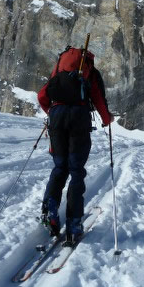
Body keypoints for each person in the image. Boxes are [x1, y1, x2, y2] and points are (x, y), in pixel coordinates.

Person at [37, 45, 112, 245]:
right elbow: (98, 98)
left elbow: (42, 96)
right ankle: (74, 223)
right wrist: (107, 119)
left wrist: (52, 113)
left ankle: (50, 211)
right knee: (76, 170)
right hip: (79, 119)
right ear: (88, 59)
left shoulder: (59, 70)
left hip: (57, 118)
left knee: (60, 167)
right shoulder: (90, 72)